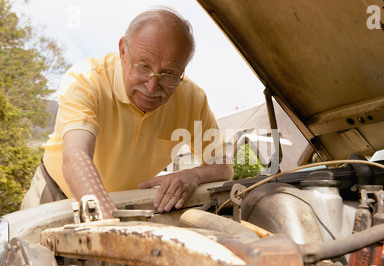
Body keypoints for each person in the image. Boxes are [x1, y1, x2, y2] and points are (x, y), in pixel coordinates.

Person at [21, 7, 233, 218]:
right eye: (143, 67)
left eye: (168, 74)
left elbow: (223, 166)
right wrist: (108, 220)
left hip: (123, 204)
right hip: (55, 194)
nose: (152, 86)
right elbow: (76, 155)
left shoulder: (193, 100)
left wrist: (193, 175)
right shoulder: (86, 80)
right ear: (123, 51)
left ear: (182, 70)